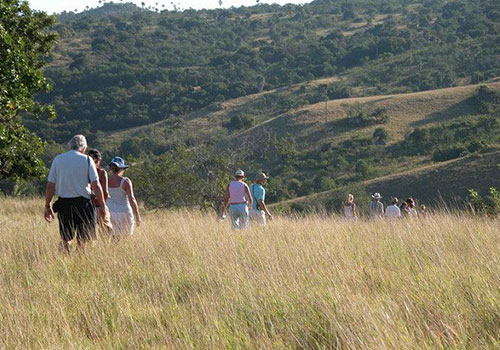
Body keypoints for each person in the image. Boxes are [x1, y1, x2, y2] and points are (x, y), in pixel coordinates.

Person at [44, 135, 106, 253]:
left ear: (69, 146)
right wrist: (102, 206)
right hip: (84, 204)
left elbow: (50, 186)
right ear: (83, 148)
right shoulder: (87, 160)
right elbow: (96, 185)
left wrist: (48, 206)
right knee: (83, 240)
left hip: (64, 204)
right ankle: (81, 260)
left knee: (66, 238)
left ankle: (63, 259)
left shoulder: (58, 159)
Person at [106, 157, 141, 236]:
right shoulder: (126, 181)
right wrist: (137, 216)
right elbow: (131, 199)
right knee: (126, 238)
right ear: (122, 168)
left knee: (113, 238)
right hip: (124, 212)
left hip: (110, 212)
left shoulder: (106, 181)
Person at [88, 149, 112, 234]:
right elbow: (105, 191)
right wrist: (103, 205)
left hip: (88, 206)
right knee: (106, 230)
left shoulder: (85, 172)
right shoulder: (102, 172)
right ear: (98, 160)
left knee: (90, 232)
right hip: (99, 204)